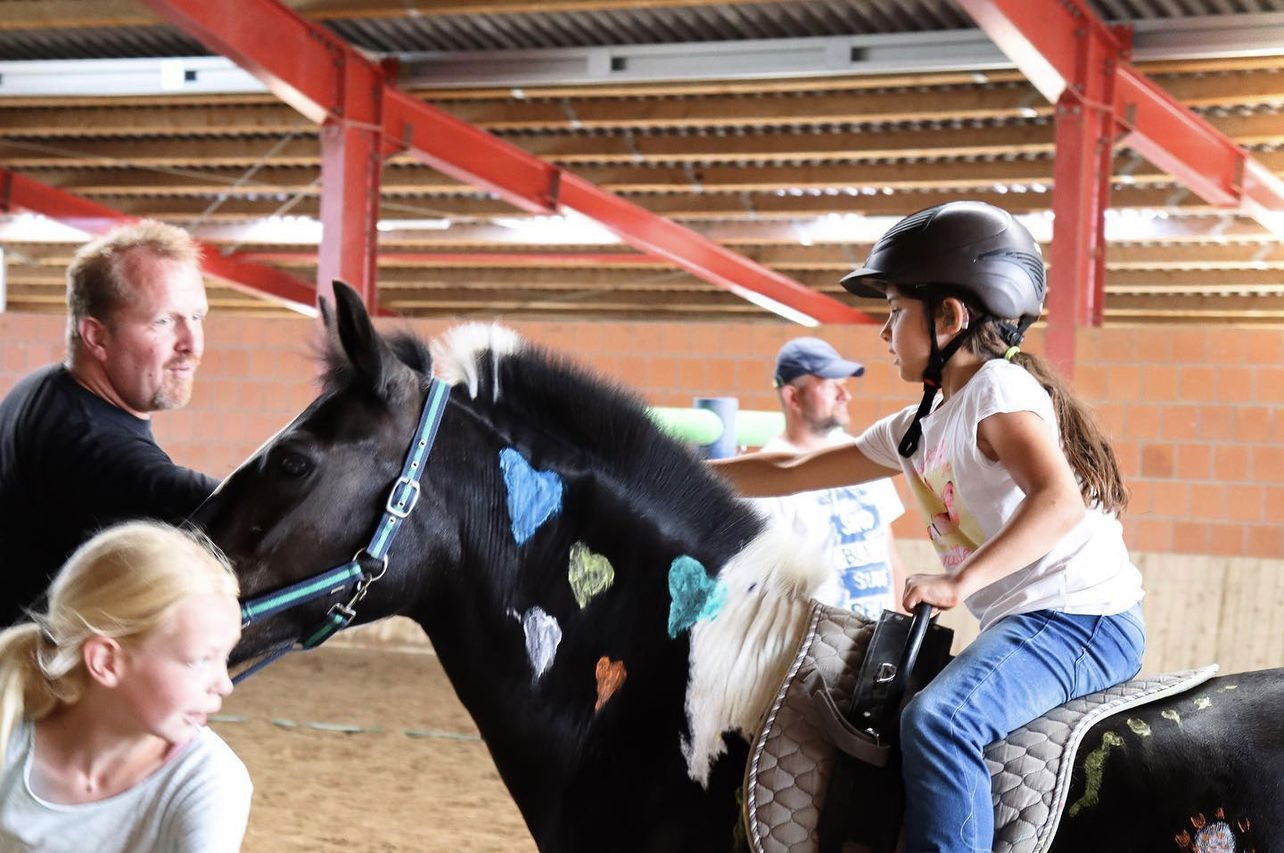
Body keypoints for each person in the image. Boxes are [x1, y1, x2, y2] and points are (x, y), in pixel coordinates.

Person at [713, 200, 1145, 853]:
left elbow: (1058, 499)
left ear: (949, 316)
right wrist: (672, 469)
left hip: (1081, 622)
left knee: (940, 721)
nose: (885, 332)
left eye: (894, 311)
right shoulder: (920, 425)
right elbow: (796, 464)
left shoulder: (997, 389)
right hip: (1033, 622)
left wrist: (957, 580)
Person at [0, 221, 218, 625]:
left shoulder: (44, 388)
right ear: (96, 338)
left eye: (197, 316)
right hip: (42, 681)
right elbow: (245, 509)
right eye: (164, 322)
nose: (192, 344)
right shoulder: (98, 450)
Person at [0, 520, 251, 852]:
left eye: (225, 657)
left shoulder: (208, 781)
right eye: (200, 660)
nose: (224, 684)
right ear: (106, 661)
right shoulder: (9, 735)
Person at [752, 337, 906, 620]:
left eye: (844, 385)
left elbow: (889, 556)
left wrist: (899, 631)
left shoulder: (862, 455)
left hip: (877, 640)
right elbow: (768, 586)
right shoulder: (768, 477)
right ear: (793, 396)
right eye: (829, 384)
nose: (844, 395)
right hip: (819, 648)